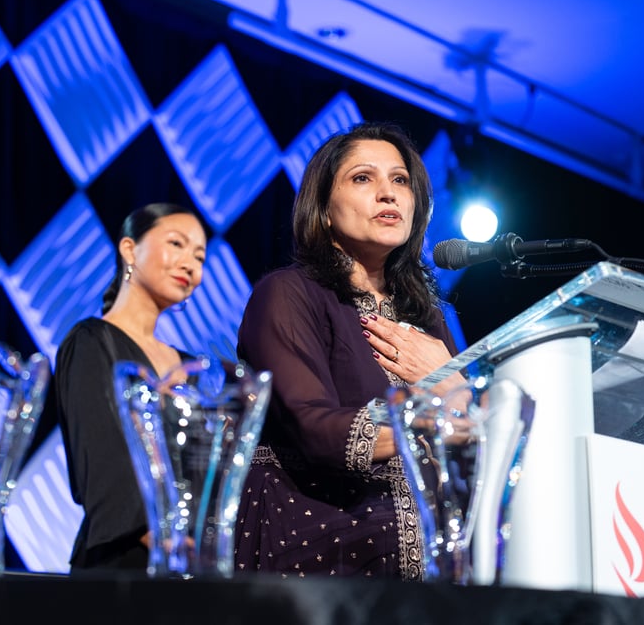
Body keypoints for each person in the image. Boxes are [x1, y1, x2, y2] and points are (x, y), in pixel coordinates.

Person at [232, 121, 462, 580]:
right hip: (312, 561)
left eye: (400, 180)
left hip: (422, 579)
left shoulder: (428, 318)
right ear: (323, 208)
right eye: (363, 178)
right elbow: (314, 427)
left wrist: (464, 399)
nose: (388, 193)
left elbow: (465, 433)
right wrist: (441, 413)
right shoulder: (289, 294)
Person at [53, 202, 207, 571]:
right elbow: (102, 457)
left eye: (199, 257)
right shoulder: (92, 341)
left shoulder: (192, 366)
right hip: (123, 564)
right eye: (176, 244)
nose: (190, 263)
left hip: (191, 563)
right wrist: (164, 541)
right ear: (129, 249)